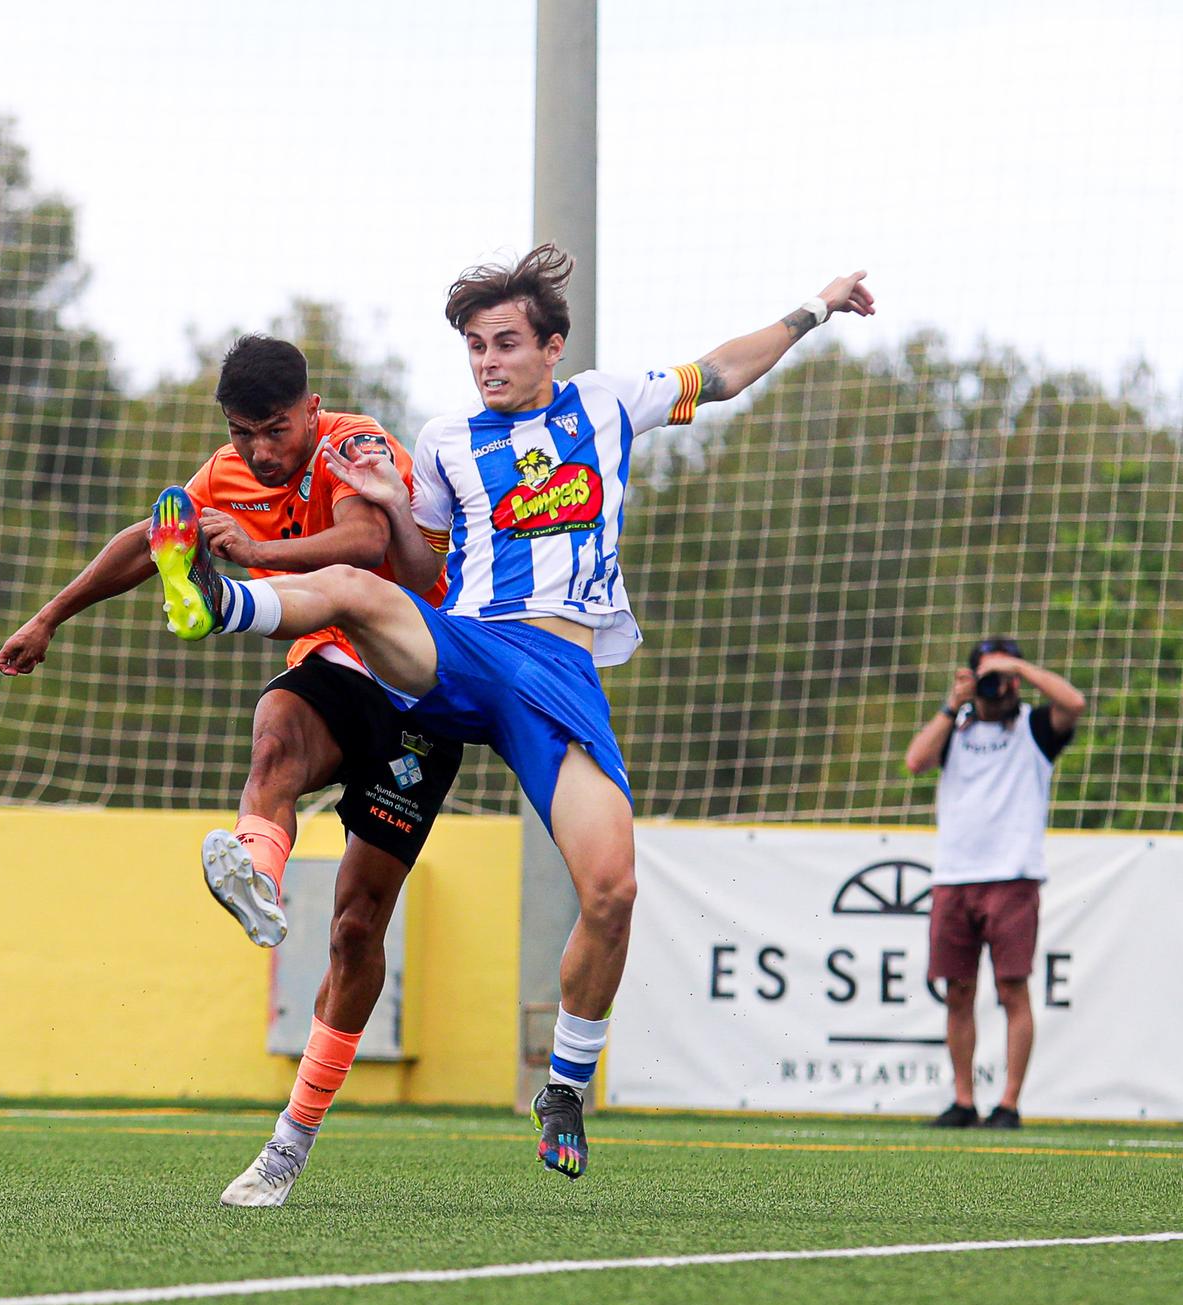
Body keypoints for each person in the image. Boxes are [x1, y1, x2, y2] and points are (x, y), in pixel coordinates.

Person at [148, 244, 874, 1189]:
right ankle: (221, 606)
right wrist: (388, 507)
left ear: (551, 348)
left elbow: (724, 372)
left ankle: (564, 1086)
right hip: (467, 650)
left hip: (559, 678)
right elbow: (414, 570)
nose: (486, 362)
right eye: (474, 349)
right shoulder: (449, 440)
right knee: (357, 595)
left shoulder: (609, 403)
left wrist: (814, 308)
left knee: (611, 891)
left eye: (503, 344)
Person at [0, 335, 465, 1205]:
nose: (258, 449)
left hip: (416, 680)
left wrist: (249, 552)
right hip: (330, 661)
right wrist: (50, 617)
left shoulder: (354, 444)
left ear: (310, 407)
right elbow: (151, 537)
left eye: (274, 429)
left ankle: (293, 1139)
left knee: (359, 930)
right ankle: (256, 869)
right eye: (243, 431)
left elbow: (369, 540)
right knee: (275, 735)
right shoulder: (227, 469)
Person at [904, 637, 1085, 1130]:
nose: (996, 686)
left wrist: (1020, 669)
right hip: (954, 878)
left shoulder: (1034, 727)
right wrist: (953, 702)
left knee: (1012, 989)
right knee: (957, 991)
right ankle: (963, 1100)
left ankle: (1008, 1103)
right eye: (988, 675)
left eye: (1002, 677)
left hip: (1013, 877)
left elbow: (1074, 703)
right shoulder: (955, 727)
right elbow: (915, 761)